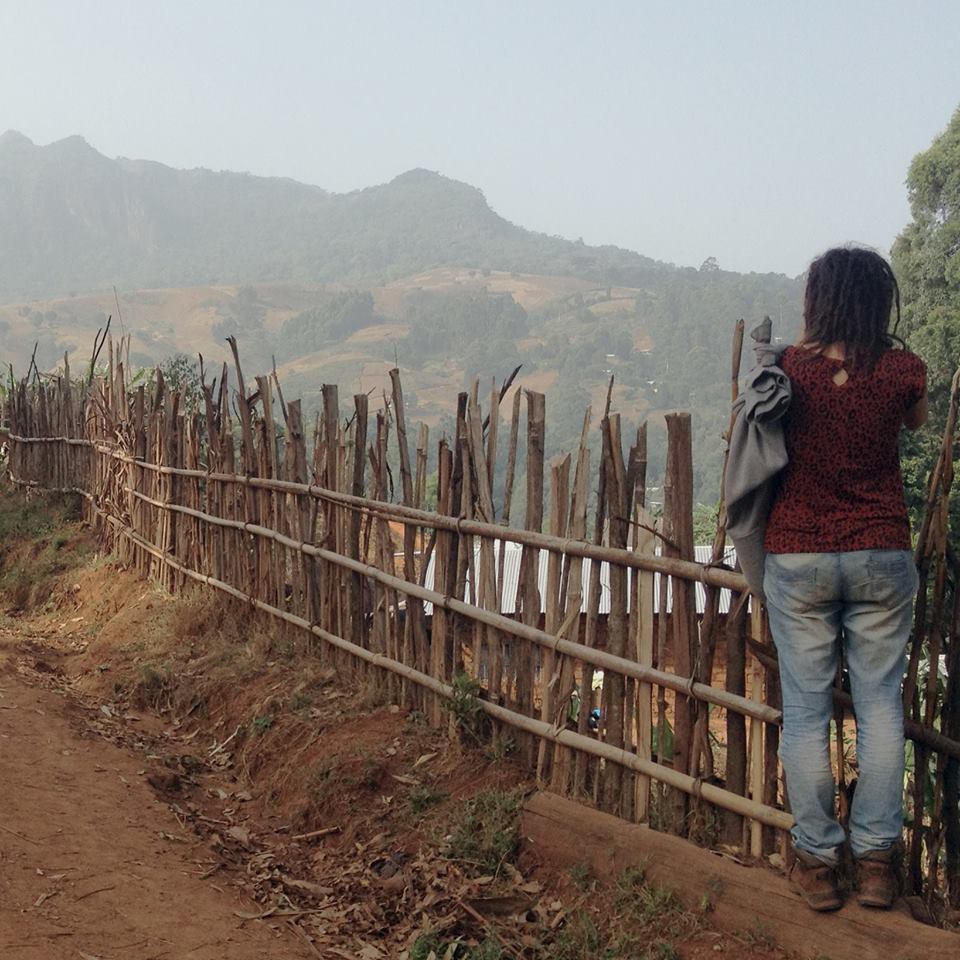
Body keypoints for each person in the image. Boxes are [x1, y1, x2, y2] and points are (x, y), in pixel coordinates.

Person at [762, 246, 927, 912]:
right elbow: (910, 423)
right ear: (879, 301)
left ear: (816, 301)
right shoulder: (903, 371)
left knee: (804, 712)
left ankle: (816, 863)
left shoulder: (787, 369)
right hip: (880, 550)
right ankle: (878, 864)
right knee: (880, 706)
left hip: (798, 554)